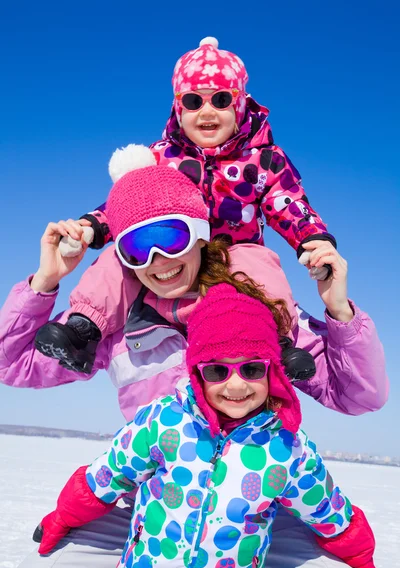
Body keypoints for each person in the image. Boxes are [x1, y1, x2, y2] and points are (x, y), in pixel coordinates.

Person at [0, 155, 387, 568]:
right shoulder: (118, 325)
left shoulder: (259, 316)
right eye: (138, 248)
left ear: (201, 235)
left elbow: (360, 396)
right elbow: (14, 364)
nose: (159, 260)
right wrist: (45, 283)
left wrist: (339, 311)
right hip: (141, 507)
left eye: (170, 237)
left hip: (257, 512)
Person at [33, 282, 383, 568]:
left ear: (272, 370)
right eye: (217, 370)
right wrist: (63, 518)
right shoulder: (165, 421)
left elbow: (331, 514)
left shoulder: (286, 448)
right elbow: (105, 478)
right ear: (197, 373)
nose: (235, 386)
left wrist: (363, 564)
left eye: (251, 369)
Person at [34, 36, 339, 374]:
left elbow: (288, 201)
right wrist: (92, 226)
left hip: (233, 254)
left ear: (239, 105)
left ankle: (276, 340)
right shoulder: (162, 157)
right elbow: (128, 206)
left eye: (221, 100)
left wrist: (313, 238)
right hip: (170, 250)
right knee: (121, 258)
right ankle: (83, 329)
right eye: (194, 101)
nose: (206, 112)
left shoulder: (262, 160)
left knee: (262, 264)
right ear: (179, 108)